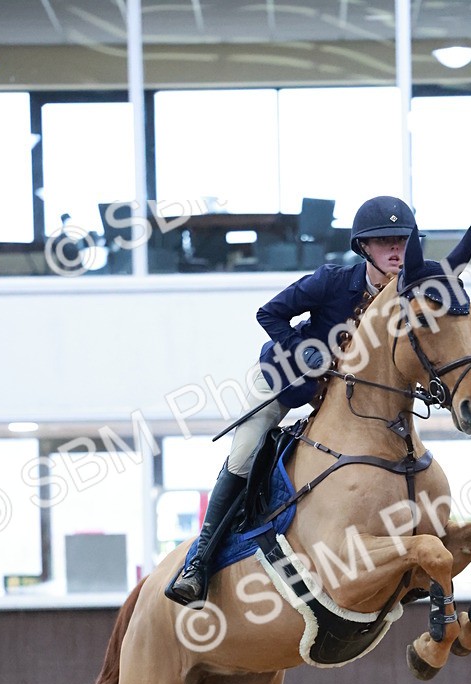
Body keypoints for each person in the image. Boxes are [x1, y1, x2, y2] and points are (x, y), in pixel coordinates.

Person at [165, 195, 415, 605]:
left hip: (340, 399)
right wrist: (303, 350)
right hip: (284, 380)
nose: (395, 250)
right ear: (364, 248)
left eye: (402, 241)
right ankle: (198, 563)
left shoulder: (406, 296)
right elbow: (269, 314)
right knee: (244, 456)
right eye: (384, 241)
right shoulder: (332, 281)